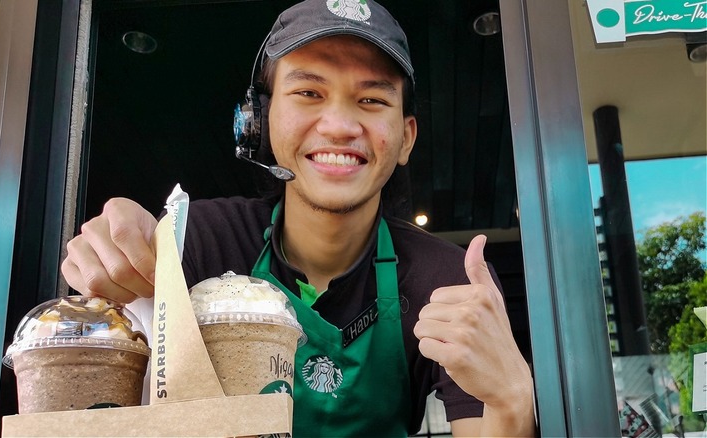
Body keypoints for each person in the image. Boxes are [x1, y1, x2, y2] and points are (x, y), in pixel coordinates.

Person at [61, 0, 537, 435]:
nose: (339, 126)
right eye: (309, 92)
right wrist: (120, 263)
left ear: (407, 137)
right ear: (259, 121)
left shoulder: (448, 280)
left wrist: (513, 402)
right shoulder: (195, 245)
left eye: (371, 100)